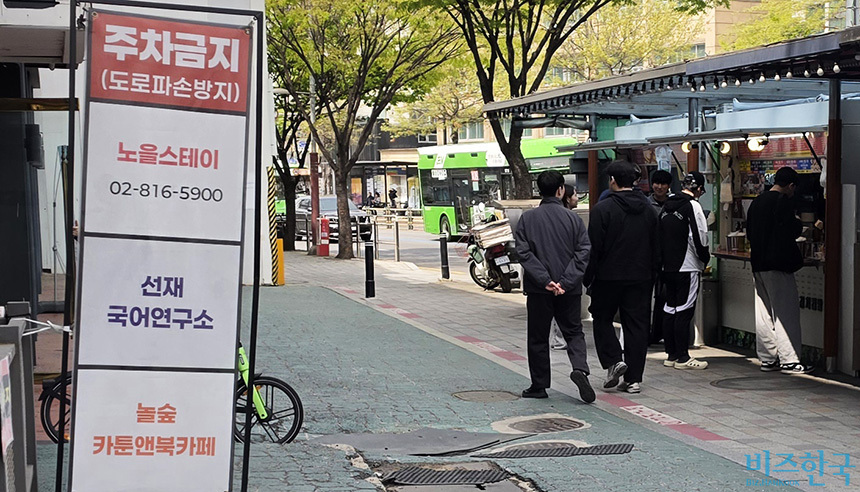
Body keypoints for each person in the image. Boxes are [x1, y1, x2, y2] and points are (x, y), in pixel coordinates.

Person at [515, 171, 594, 403]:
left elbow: (523, 253)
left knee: (538, 336)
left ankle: (539, 385)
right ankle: (580, 368)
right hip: (568, 289)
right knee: (573, 331)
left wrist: (545, 280)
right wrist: (565, 281)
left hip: (540, 289)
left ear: (539, 190)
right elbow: (583, 252)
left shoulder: (527, 219)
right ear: (561, 190)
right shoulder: (573, 219)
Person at [584, 160, 657, 394]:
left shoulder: (602, 209)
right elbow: (658, 246)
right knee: (637, 325)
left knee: (601, 317)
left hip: (608, 276)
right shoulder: (649, 209)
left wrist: (588, 277)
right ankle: (634, 379)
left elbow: (594, 248)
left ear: (613, 181)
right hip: (642, 276)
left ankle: (614, 360)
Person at [746, 167, 814, 374]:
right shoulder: (782, 201)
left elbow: (750, 232)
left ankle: (767, 358)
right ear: (791, 185)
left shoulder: (757, 201)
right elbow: (792, 230)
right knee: (785, 313)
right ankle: (790, 360)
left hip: (758, 264)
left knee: (764, 313)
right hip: (778, 264)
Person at [658, 171, 710, 370]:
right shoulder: (693, 206)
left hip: (667, 267)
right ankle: (682, 357)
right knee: (685, 310)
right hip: (687, 266)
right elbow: (700, 237)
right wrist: (705, 258)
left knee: (670, 308)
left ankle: (671, 354)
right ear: (699, 189)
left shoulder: (666, 206)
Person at [550, 184, 579, 351]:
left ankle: (560, 339)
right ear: (565, 196)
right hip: (566, 272)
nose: (577, 198)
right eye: (575, 195)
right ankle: (561, 339)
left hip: (557, 272)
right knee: (563, 308)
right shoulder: (570, 218)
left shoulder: (567, 217)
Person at [648, 170, 673, 345]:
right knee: (646, 298)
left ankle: (659, 332)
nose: (659, 187)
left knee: (663, 297)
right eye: (656, 183)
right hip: (648, 258)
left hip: (668, 258)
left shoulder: (673, 205)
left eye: (663, 184)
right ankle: (647, 333)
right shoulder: (645, 205)